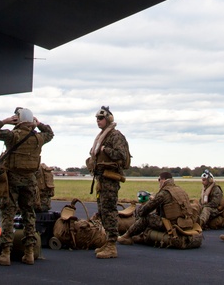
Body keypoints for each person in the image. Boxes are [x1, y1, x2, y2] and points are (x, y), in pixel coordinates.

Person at [0, 107, 54, 266]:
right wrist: (39, 124)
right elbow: (50, 133)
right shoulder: (39, 138)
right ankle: (29, 253)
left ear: (18, 120)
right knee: (29, 215)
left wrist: (5, 121)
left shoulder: (12, 136)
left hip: (11, 181)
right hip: (30, 181)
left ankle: (5, 253)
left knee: (8, 214)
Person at [86, 106, 130, 259]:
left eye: (101, 118)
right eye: (97, 118)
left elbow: (121, 155)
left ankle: (111, 245)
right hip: (101, 179)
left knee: (109, 211)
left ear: (108, 119)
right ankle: (108, 242)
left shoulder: (115, 136)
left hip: (110, 179)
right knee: (102, 211)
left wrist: (105, 150)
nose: (98, 121)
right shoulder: (102, 136)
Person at [117, 172, 200, 248]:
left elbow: (143, 211)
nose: (159, 182)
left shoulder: (164, 193)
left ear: (163, 180)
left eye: (159, 180)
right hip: (185, 223)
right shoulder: (181, 190)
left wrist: (151, 201)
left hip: (172, 225)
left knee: (146, 218)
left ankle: (126, 236)